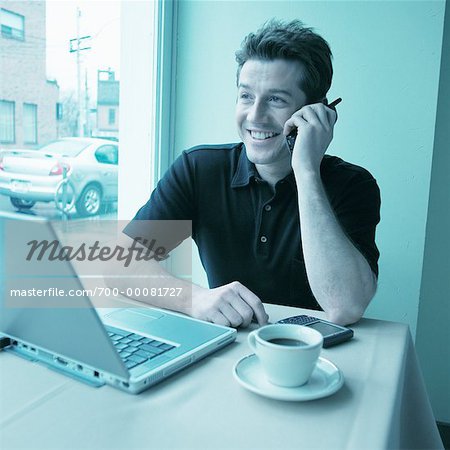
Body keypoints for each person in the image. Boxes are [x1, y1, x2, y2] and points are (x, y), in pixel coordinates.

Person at [117, 19, 381, 328]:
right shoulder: (199, 168)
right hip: (225, 348)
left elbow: (345, 308)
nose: (255, 116)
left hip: (313, 359)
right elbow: (118, 266)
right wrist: (196, 299)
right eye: (246, 96)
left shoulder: (354, 185)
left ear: (315, 112)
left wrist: (306, 170)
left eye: (276, 99)